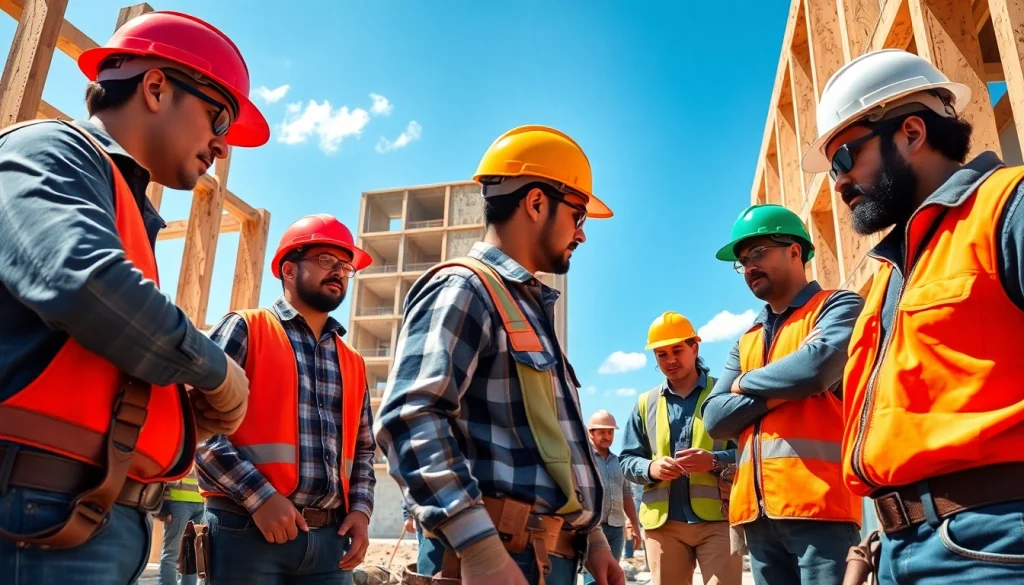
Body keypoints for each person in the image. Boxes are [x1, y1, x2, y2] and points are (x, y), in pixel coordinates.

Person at [0, 10, 265, 584]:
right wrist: (215, 369)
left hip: (83, 514)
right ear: (153, 87)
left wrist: (180, 403)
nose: (221, 145)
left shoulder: (122, 203)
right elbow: (82, 282)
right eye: (217, 115)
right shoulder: (48, 151)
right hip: (35, 511)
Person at [801, 48, 1024, 583]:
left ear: (911, 133)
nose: (837, 182)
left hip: (995, 543)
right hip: (899, 546)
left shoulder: (1007, 207)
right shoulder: (886, 276)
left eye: (843, 159)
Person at [374, 125, 624, 585]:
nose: (582, 234)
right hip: (500, 558)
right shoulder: (464, 287)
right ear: (535, 203)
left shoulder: (528, 308)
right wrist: (480, 550)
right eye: (578, 214)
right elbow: (409, 416)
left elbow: (553, 443)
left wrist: (594, 540)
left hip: (547, 556)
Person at [195, 214, 377, 584]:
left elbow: (364, 449)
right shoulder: (246, 328)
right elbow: (195, 425)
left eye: (345, 266)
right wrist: (259, 496)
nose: (339, 272)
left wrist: (360, 510)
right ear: (289, 270)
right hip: (247, 530)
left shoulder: (352, 360)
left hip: (330, 541)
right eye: (326, 261)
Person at [701, 205, 864, 585]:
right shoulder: (747, 339)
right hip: (756, 518)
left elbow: (815, 369)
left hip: (820, 508)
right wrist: (783, 390)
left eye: (758, 252)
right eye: (742, 261)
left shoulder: (837, 306)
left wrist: (745, 382)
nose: (749, 266)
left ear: (795, 251)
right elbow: (714, 418)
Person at [619, 312, 742, 585]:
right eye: (661, 354)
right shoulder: (644, 404)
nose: (670, 360)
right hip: (663, 527)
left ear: (694, 348)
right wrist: (650, 468)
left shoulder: (725, 395)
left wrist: (715, 460)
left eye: (677, 350)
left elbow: (751, 452)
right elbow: (626, 459)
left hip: (718, 520)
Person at [582, 411, 642, 585]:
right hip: (592, 527)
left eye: (610, 432)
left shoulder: (619, 463)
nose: (607, 436)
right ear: (591, 433)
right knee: (593, 578)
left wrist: (635, 525)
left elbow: (627, 495)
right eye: (601, 432)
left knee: (612, 576)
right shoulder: (583, 461)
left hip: (616, 528)